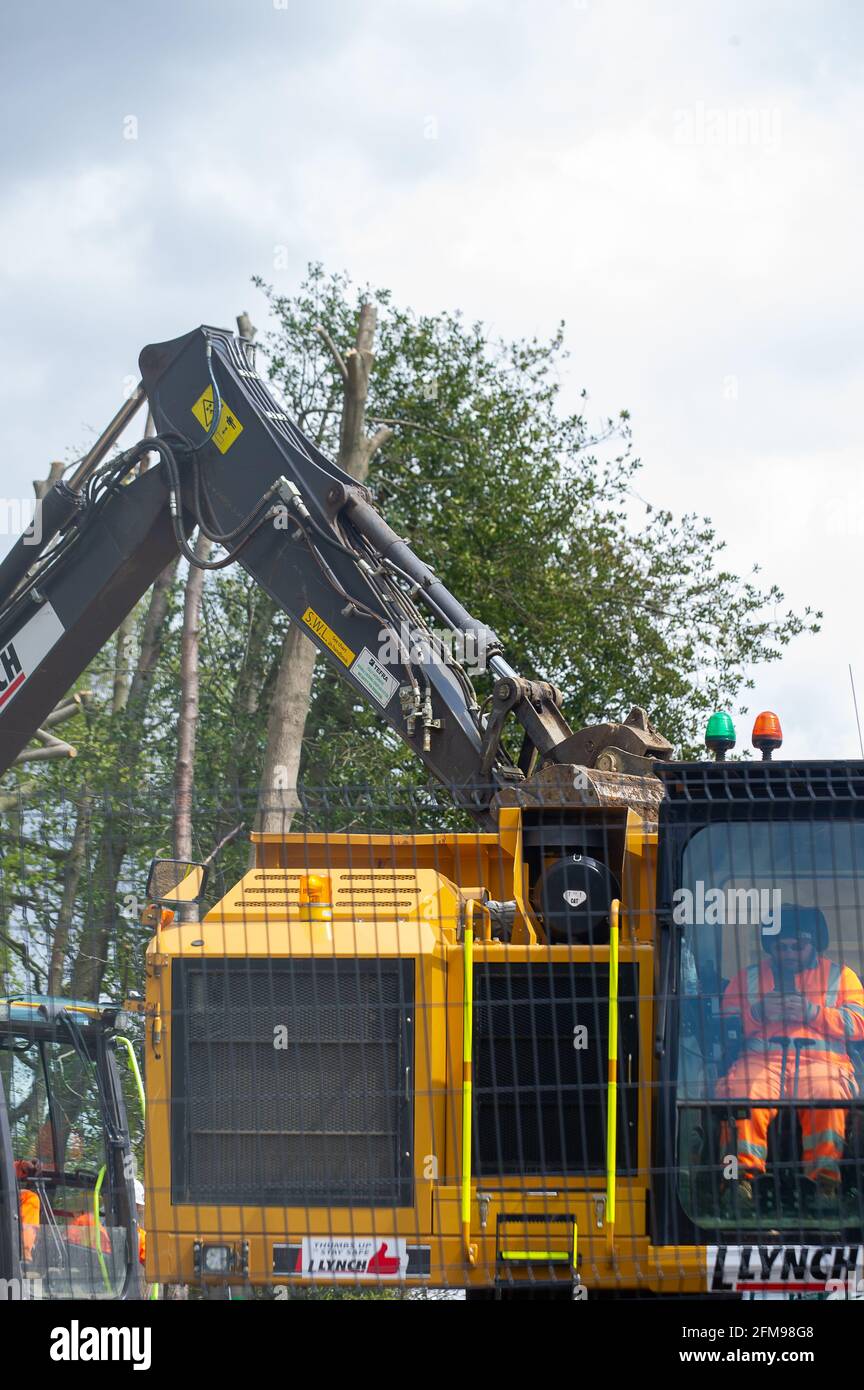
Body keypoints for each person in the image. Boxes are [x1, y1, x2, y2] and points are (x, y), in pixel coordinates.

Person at [717, 904, 864, 1203]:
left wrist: (814, 1013)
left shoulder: (842, 976)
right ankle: (740, 1184)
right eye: (781, 947)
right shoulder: (747, 979)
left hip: (824, 1065)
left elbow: (858, 1024)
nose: (788, 954)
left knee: (828, 1096)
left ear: (815, 944)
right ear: (770, 946)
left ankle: (824, 1186)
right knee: (741, 1093)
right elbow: (723, 1026)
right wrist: (757, 1013)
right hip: (759, 1064)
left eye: (797, 947)